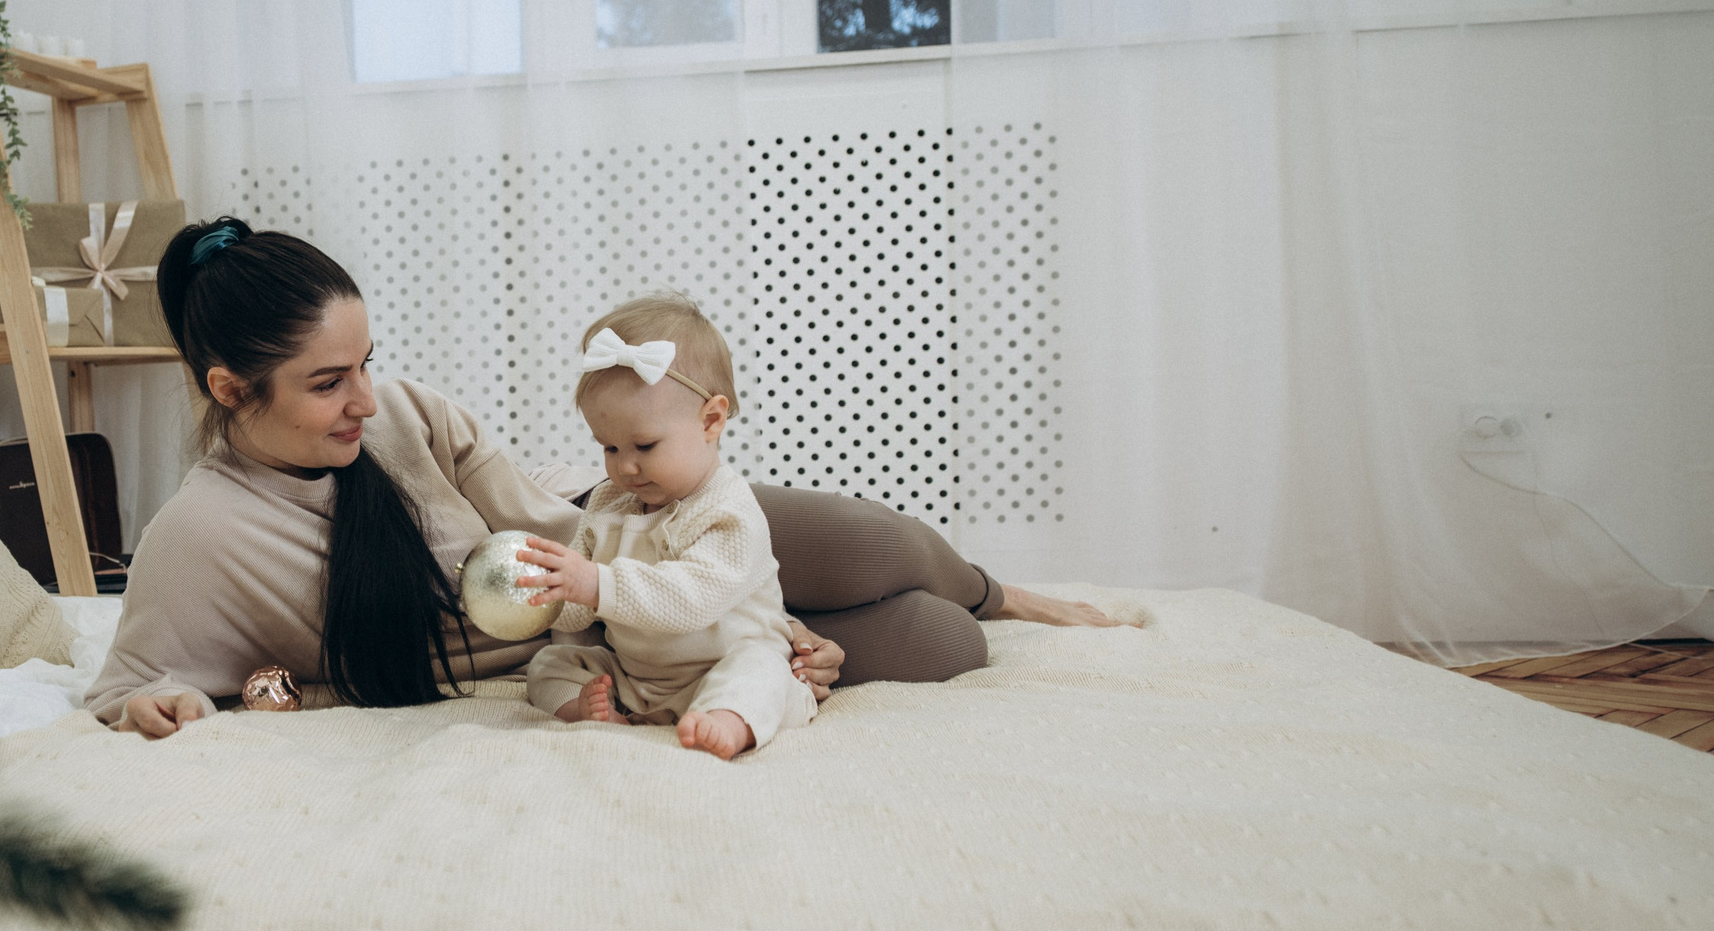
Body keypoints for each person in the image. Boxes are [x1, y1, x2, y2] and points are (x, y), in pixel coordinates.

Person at [87, 217, 1130, 737]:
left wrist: (735, 592)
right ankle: (964, 616)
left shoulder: (401, 413)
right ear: (230, 389)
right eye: (327, 382)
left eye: (365, 361)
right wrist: (162, 706)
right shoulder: (200, 534)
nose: (367, 398)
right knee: (941, 644)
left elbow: (556, 521)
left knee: (874, 542)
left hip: (624, 538)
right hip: (597, 641)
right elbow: (132, 683)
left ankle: (1019, 591)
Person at [517, 296, 812, 760]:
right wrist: (555, 591)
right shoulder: (608, 501)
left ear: (711, 421)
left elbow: (690, 600)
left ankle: (728, 721)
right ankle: (581, 709)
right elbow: (580, 612)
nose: (626, 466)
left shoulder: (730, 511)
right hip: (637, 680)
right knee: (550, 662)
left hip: (720, 668)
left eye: (644, 445)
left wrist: (594, 581)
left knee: (763, 670)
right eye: (609, 448)